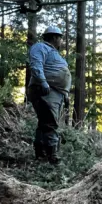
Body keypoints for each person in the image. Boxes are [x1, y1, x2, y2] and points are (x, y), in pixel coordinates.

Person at [28, 26, 71, 164]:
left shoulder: (55, 53)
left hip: (55, 92)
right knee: (50, 122)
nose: (61, 41)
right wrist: (43, 82)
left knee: (44, 122)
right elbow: (36, 64)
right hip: (45, 89)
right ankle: (53, 157)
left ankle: (40, 154)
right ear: (54, 37)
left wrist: (65, 94)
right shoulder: (40, 47)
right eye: (60, 38)